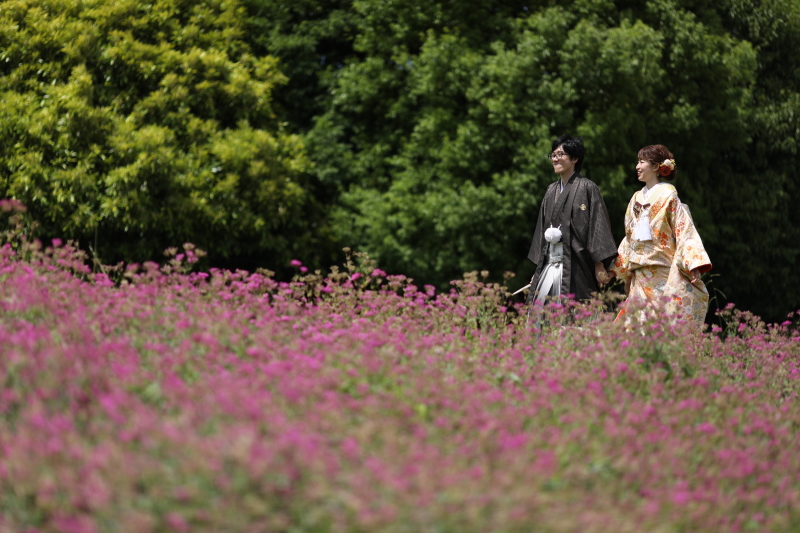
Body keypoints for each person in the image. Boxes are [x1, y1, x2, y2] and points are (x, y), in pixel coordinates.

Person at [609, 144, 712, 324]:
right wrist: (614, 269)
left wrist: (693, 262)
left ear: (656, 167)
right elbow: (629, 238)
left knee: (660, 324)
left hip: (662, 273)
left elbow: (684, 230)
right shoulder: (635, 198)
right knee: (635, 326)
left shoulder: (669, 196)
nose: (637, 167)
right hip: (639, 274)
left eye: (642, 162)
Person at [526, 135, 618, 307]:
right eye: (553, 155)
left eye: (560, 154)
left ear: (575, 158)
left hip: (578, 266)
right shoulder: (550, 191)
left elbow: (597, 227)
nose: (555, 159)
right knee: (543, 314)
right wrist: (539, 269)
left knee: (577, 313)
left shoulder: (588, 188)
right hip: (550, 264)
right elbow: (541, 231)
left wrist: (599, 265)